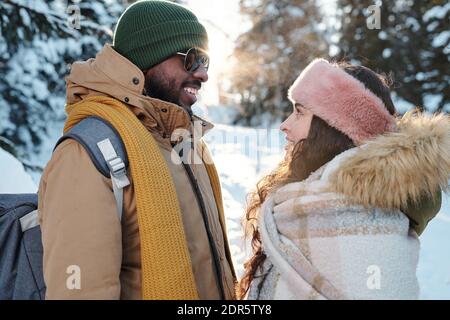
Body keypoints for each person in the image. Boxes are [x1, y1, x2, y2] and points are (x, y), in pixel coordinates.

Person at [38, 0, 236, 300]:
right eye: (192, 59)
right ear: (147, 59)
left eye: (205, 62)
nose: (203, 74)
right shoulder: (87, 154)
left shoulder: (183, 141)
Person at [239, 59, 449, 299]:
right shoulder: (306, 200)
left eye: (299, 112)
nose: (284, 125)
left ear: (333, 127)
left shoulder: (365, 225)